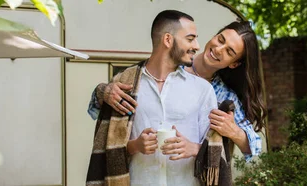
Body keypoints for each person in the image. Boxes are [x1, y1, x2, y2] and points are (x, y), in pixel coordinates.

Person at [88, 21, 266, 162]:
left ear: (234, 64)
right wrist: (103, 91)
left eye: (229, 51)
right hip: (141, 171)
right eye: (220, 39)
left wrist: (233, 131)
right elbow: (97, 109)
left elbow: (254, 147)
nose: (218, 49)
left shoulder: (224, 96)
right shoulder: (168, 66)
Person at [85, 10, 217, 186]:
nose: (197, 46)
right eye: (190, 38)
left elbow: (217, 150)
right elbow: (109, 145)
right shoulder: (124, 85)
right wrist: (136, 146)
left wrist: (192, 148)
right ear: (168, 40)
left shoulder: (203, 90)